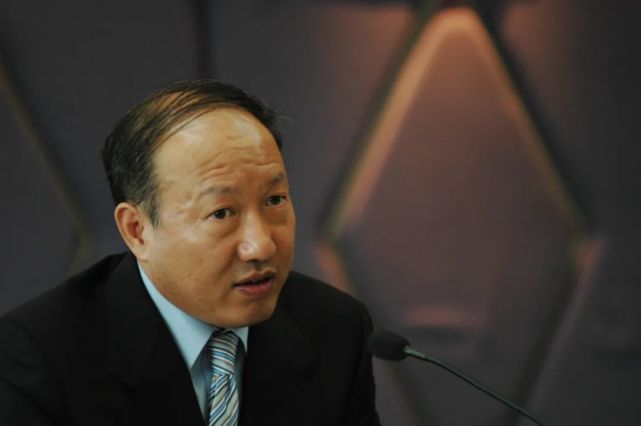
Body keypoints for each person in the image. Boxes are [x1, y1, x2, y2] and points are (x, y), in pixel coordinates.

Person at [0, 80, 381, 425]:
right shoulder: (37, 360)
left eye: (275, 200)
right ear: (137, 230)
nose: (261, 245)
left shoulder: (335, 330)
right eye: (221, 213)